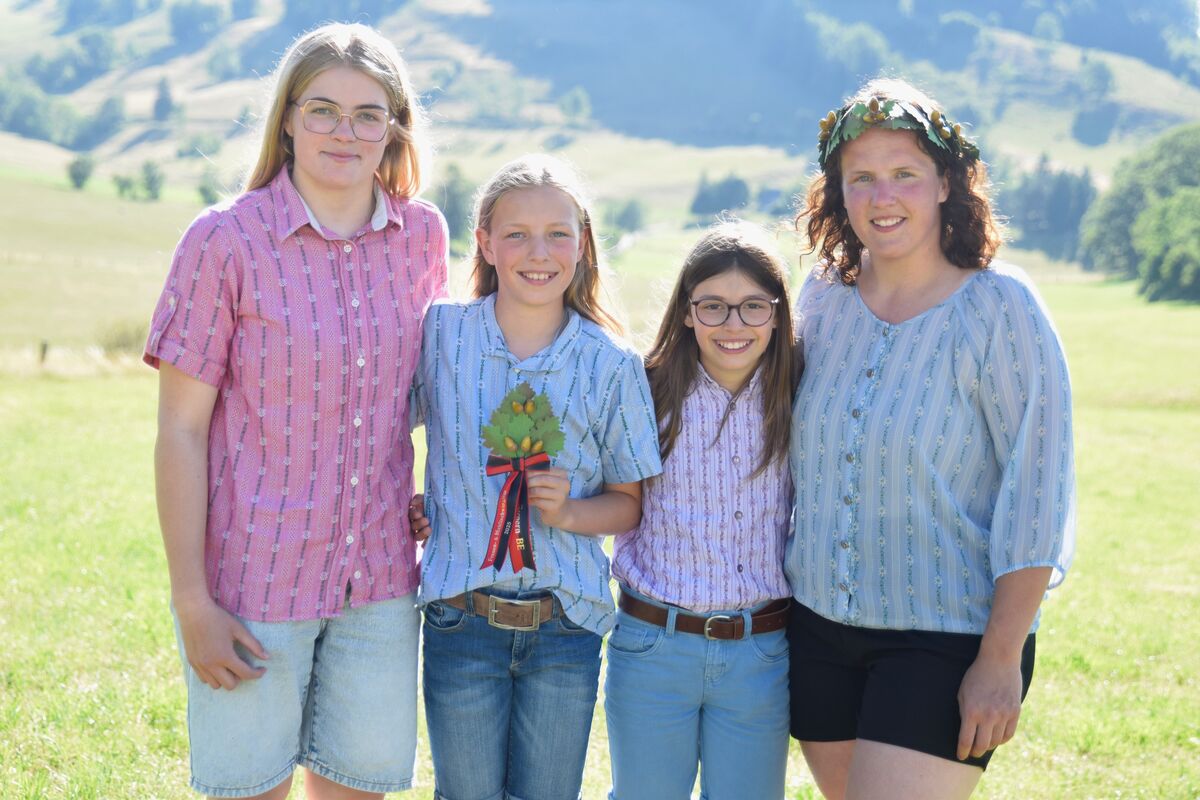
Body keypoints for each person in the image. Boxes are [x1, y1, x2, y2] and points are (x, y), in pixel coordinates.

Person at [144, 23, 446, 799]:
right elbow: (180, 431)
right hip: (253, 585)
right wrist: (192, 603)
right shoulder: (224, 240)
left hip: (381, 584)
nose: (345, 132)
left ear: (395, 128)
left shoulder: (423, 237)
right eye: (323, 110)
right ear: (287, 118)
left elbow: (421, 397)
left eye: (368, 115)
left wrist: (438, 496)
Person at [786, 77, 1076, 800]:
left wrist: (1000, 660)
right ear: (838, 193)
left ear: (947, 183)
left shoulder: (1001, 307)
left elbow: (1038, 492)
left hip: (945, 640)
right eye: (861, 178)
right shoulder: (822, 298)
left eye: (904, 174)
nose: (882, 197)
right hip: (816, 632)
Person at [407, 154, 663, 800]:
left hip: (564, 628)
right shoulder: (441, 334)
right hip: (461, 620)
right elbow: (380, 431)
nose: (538, 252)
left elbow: (629, 503)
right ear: (485, 243)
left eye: (557, 234)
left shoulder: (611, 364)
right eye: (516, 234)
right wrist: (410, 501)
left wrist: (572, 512)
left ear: (582, 245)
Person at [604, 220, 797, 799]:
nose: (733, 325)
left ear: (777, 314)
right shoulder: (645, 390)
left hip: (759, 651)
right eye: (713, 306)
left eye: (753, 307)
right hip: (654, 645)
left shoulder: (797, 392)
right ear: (687, 312)